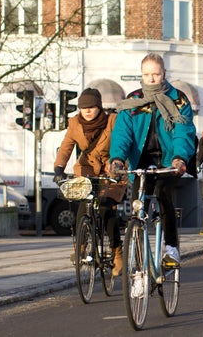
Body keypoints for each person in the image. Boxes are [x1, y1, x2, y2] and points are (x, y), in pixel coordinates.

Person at [109, 53, 196, 266]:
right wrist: (118, 159)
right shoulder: (133, 101)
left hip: (169, 160)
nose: (151, 78)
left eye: (156, 74)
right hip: (142, 159)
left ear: (163, 73)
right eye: (147, 74)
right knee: (139, 204)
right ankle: (137, 257)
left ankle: (171, 247)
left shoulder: (179, 99)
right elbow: (122, 134)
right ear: (141, 75)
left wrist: (179, 158)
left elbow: (183, 132)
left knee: (163, 194)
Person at [53, 88, 123, 276]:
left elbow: (121, 143)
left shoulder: (112, 121)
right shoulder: (75, 123)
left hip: (113, 167)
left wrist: (117, 165)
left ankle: (117, 251)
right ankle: (81, 245)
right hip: (87, 167)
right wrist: (59, 168)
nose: (88, 111)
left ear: (99, 107)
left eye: (91, 107)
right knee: (84, 205)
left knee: (106, 207)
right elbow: (66, 147)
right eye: (84, 107)